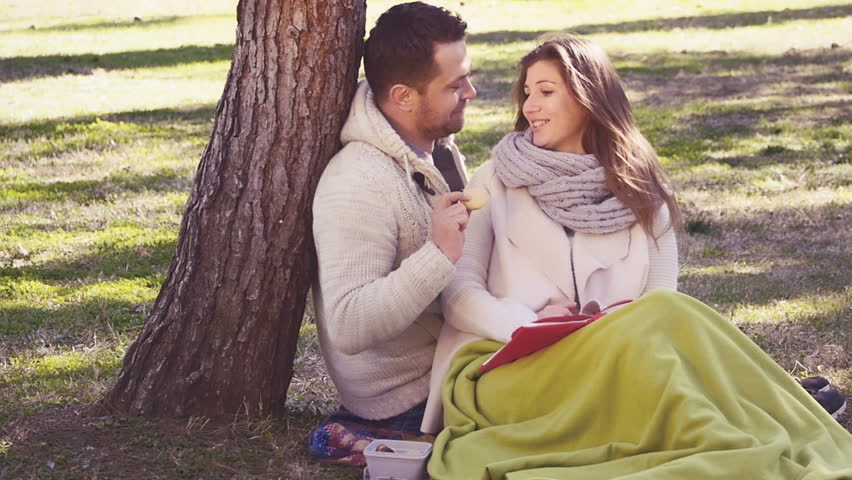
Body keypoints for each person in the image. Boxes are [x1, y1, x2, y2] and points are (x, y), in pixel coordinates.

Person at [425, 35, 852, 478]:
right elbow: (457, 292)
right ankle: (783, 409)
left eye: (547, 91)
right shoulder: (496, 177)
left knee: (669, 320)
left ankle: (773, 415)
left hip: (613, 369)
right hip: (511, 369)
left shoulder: (642, 190)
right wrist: (528, 325)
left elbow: (661, 306)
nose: (531, 105)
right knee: (674, 352)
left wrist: (600, 332)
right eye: (527, 92)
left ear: (589, 97)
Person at [307, 2, 476, 466]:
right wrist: (438, 254)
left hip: (461, 358)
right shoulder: (358, 181)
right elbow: (348, 323)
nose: (472, 91)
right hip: (411, 401)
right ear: (403, 95)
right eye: (455, 83)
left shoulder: (435, 149)